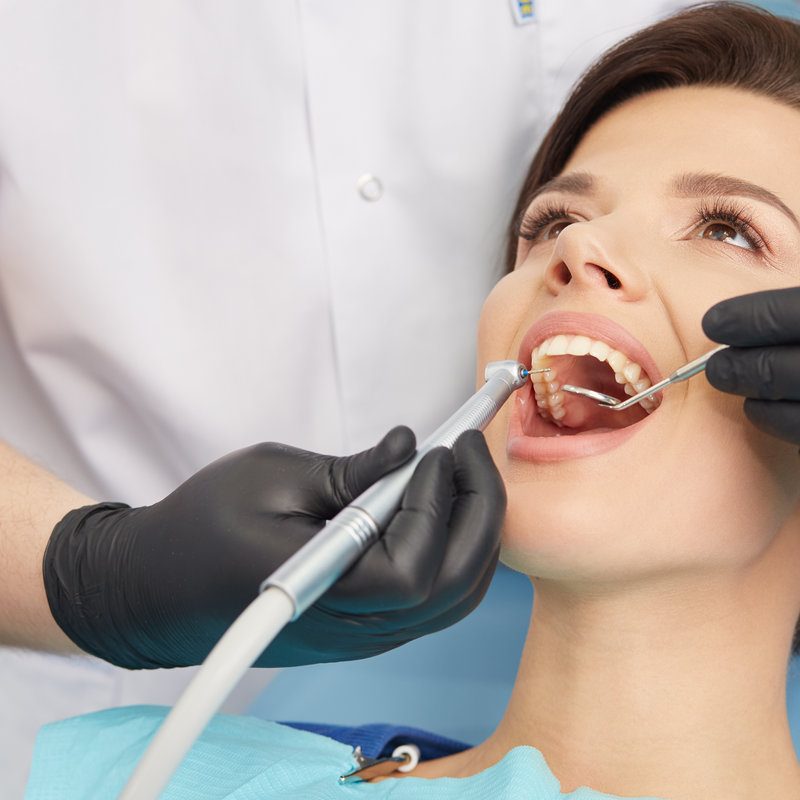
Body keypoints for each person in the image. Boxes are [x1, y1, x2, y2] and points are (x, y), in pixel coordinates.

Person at [22, 3, 800, 798]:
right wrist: (102, 572)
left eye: (727, 229)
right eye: (554, 220)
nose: (577, 247)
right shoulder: (158, 778)